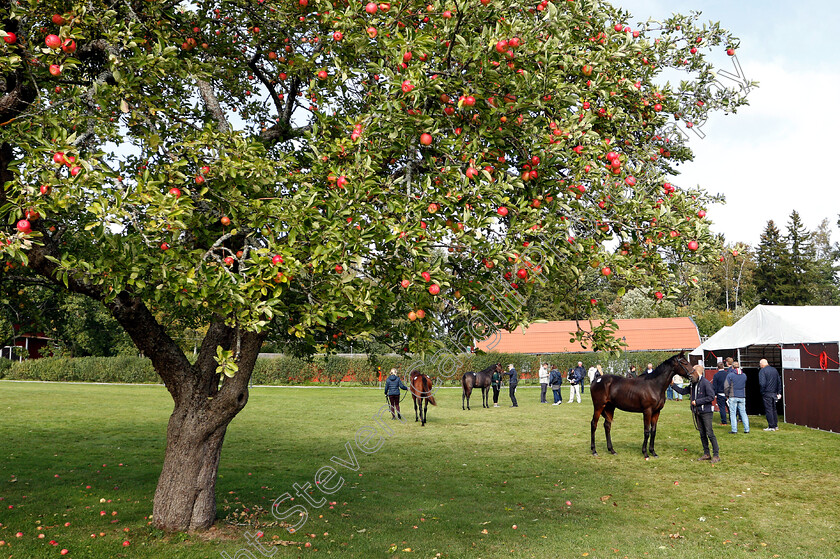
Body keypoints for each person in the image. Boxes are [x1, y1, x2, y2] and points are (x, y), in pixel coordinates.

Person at [671, 364, 720, 463]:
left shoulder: (706, 383)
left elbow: (711, 397)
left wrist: (697, 402)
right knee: (702, 434)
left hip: (706, 412)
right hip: (697, 412)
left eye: (692, 372)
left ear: (697, 373)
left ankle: (716, 455)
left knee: (710, 433)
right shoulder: (693, 383)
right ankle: (706, 453)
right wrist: (673, 385)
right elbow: (683, 391)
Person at [724, 361, 749, 433]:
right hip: (742, 396)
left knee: (733, 413)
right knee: (743, 412)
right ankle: (747, 429)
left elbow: (726, 386)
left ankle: (734, 430)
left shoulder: (730, 375)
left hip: (733, 396)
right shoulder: (744, 375)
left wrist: (727, 395)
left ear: (733, 367)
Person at [758, 358, 782, 431]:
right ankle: (775, 425)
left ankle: (771, 426)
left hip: (767, 392)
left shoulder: (762, 371)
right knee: (774, 409)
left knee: (769, 410)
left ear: (761, 364)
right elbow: (779, 381)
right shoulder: (774, 370)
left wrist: (762, 392)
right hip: (774, 393)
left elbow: (762, 383)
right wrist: (779, 392)